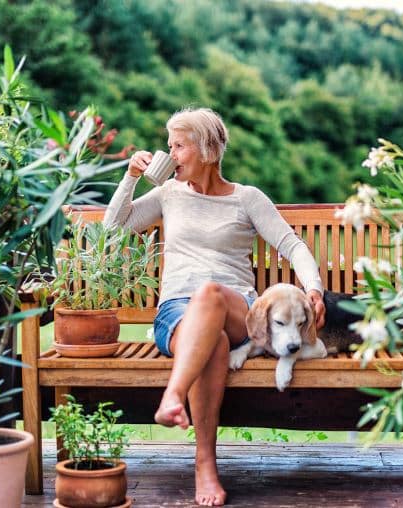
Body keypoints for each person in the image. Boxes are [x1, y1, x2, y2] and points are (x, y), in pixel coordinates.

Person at [103, 107, 325, 506]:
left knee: (209, 293)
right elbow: (113, 230)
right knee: (215, 345)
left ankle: (173, 395)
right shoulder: (169, 194)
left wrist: (314, 290)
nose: (170, 155)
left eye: (179, 146)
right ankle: (205, 466)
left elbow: (292, 245)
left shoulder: (247, 199)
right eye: (168, 146)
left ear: (206, 150)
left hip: (240, 309)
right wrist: (131, 177)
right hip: (177, 313)